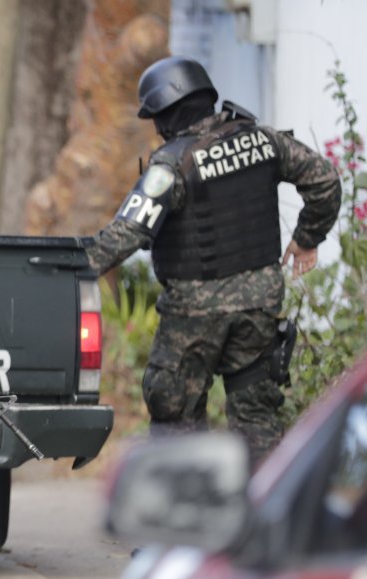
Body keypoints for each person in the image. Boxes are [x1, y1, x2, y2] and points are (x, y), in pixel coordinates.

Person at [89, 56, 341, 463]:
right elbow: (325, 180)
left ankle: (191, 499)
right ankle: (265, 499)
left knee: (176, 415)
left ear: (166, 115)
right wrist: (307, 239)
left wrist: (72, 266)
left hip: (195, 313)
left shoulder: (173, 164)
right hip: (259, 303)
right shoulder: (264, 140)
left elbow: (127, 234)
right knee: (257, 417)